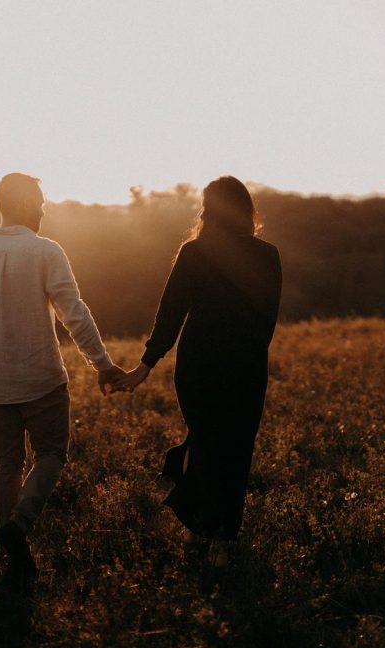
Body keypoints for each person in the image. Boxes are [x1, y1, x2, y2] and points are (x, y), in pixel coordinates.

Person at [0, 172, 126, 586]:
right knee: (52, 455)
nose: (44, 208)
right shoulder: (45, 250)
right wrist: (102, 365)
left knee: (6, 463)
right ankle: (19, 526)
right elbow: (74, 313)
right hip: (41, 377)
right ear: (26, 205)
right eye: (40, 201)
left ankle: (12, 548)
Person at [115, 176, 282, 568]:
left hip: (199, 361)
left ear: (207, 209)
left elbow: (170, 313)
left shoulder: (194, 252)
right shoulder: (268, 255)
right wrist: (250, 353)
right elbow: (267, 319)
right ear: (247, 209)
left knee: (205, 441)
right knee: (236, 449)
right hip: (247, 362)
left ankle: (194, 528)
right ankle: (221, 542)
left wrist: (146, 365)